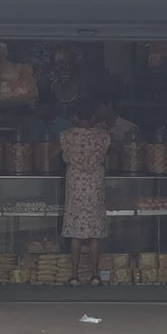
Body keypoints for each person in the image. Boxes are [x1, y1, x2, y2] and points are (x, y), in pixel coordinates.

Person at [59, 99, 110, 287]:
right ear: (94, 117)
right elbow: (118, 149)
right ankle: (95, 276)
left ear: (74, 117)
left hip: (75, 188)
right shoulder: (102, 136)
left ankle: (74, 276)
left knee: (76, 233)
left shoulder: (67, 136)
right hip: (95, 188)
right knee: (94, 234)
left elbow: (52, 153)